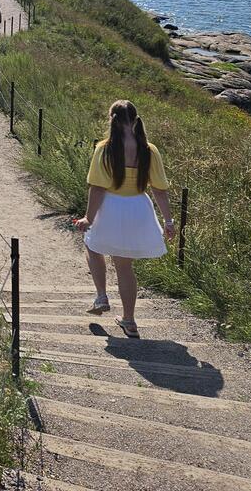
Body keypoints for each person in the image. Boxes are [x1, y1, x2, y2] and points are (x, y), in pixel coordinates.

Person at [73, 100, 176, 338]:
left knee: (92, 245)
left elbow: (97, 188)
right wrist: (168, 221)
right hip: (138, 208)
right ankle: (129, 321)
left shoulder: (105, 148)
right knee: (125, 267)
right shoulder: (149, 150)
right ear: (135, 119)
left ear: (112, 119)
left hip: (110, 207)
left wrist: (89, 218)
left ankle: (101, 296)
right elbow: (160, 190)